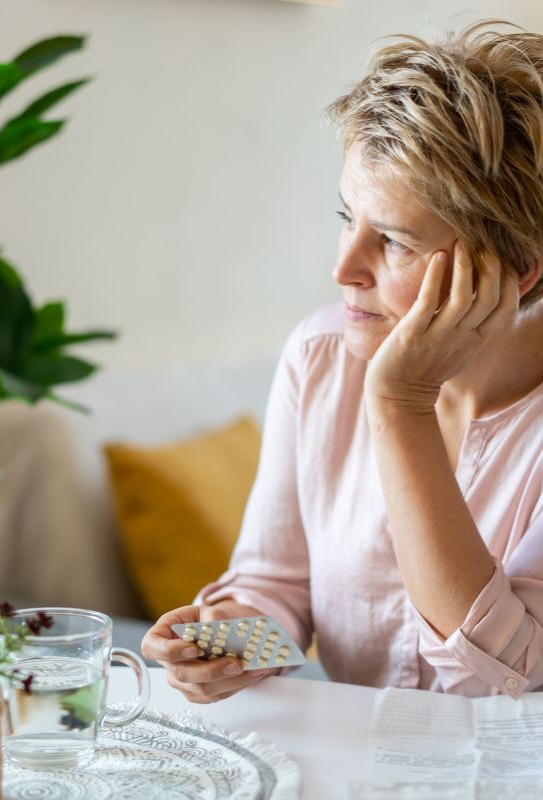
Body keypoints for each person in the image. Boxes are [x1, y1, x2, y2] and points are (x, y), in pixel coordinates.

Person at [141, 19, 543, 702]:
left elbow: (505, 684)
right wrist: (228, 645)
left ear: (518, 270)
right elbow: (278, 588)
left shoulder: (400, 390)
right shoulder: (322, 357)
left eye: (391, 241)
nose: (342, 267)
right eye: (346, 218)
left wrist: (400, 404)